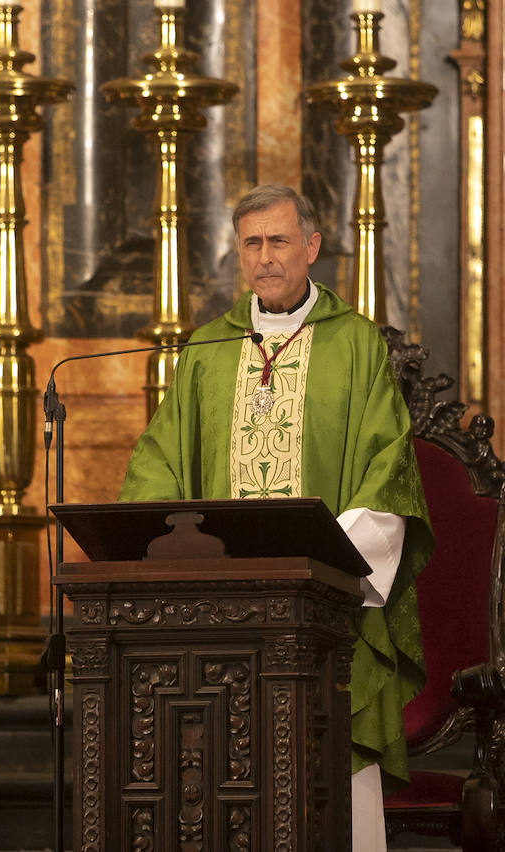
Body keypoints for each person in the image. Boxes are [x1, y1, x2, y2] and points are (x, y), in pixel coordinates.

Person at [120, 184, 434, 850]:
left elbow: (387, 472)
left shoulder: (355, 346)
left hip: (325, 616)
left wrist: (330, 572)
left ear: (312, 248)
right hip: (220, 619)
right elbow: (160, 464)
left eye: (280, 241)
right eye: (253, 243)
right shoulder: (207, 350)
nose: (266, 258)